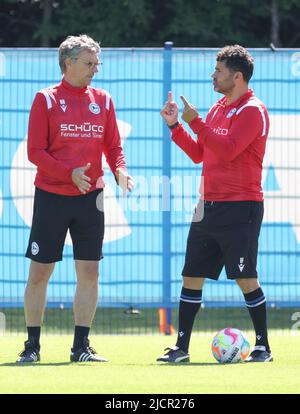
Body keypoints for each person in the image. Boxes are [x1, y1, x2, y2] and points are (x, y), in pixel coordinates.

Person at [17, 34, 133, 363]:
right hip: (52, 197)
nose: (95, 69)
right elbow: (35, 151)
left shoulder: (104, 99)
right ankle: (32, 346)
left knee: (90, 272)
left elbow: (113, 147)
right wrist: (67, 173)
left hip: (91, 198)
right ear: (68, 63)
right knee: (40, 273)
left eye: (97, 63)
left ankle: (81, 347)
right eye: (89, 63)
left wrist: (120, 170)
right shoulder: (46, 99)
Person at [158, 45, 272, 363]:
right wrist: (175, 126)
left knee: (245, 277)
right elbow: (201, 153)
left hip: (241, 207)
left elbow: (229, 149)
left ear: (237, 76)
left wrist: (195, 122)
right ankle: (181, 348)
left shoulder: (253, 110)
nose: (213, 75)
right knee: (191, 275)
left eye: (218, 71)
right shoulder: (220, 107)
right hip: (206, 205)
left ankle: (263, 346)